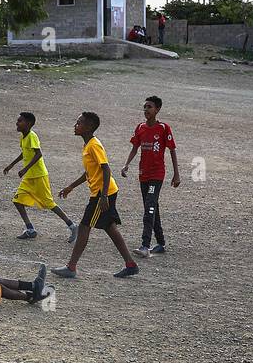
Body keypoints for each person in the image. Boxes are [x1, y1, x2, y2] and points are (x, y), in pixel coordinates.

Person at [53, 111, 139, 279]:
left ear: (89, 127)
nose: (75, 125)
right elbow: (89, 173)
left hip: (102, 193)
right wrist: (71, 186)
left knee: (85, 226)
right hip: (104, 192)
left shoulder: (94, 145)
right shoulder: (87, 145)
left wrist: (103, 196)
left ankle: (71, 267)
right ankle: (130, 264)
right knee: (109, 227)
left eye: (79, 123)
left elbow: (106, 169)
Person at [120, 95, 180, 257]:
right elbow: (134, 148)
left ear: (157, 109)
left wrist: (176, 174)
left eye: (150, 107)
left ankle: (145, 245)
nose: (146, 110)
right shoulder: (140, 128)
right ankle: (160, 242)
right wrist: (126, 164)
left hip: (157, 174)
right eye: (145, 107)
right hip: (143, 174)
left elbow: (172, 150)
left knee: (149, 208)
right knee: (152, 207)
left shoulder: (163, 128)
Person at [2, 111, 76, 242]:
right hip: (29, 178)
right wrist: (11, 165)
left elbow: (38, 154)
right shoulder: (23, 137)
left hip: (39, 176)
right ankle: (30, 229)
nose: (17, 123)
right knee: (17, 201)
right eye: (17, 120)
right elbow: (24, 153)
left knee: (49, 203)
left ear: (28, 123)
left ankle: (72, 226)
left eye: (20, 121)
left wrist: (25, 169)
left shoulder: (32, 136)